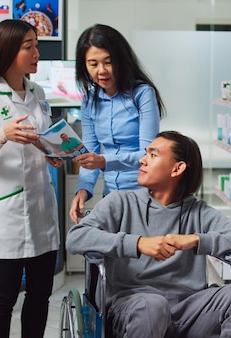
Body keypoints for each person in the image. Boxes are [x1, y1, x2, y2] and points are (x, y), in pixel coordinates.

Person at [66, 130, 231, 338]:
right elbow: (76, 237)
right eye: (146, 153)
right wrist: (138, 243)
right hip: (132, 311)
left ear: (177, 168)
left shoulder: (198, 212)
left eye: (153, 155)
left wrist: (196, 240)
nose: (142, 160)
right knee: (152, 304)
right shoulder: (120, 202)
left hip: (188, 314)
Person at [0, 19, 64, 338]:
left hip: (41, 207)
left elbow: (40, 140)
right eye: (29, 47)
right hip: (6, 212)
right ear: (8, 51)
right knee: (5, 296)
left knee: (40, 295)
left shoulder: (37, 92)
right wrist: (1, 136)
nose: (37, 53)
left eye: (36, 45)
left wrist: (53, 153)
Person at [69, 23, 166, 224]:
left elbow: (148, 154)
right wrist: (83, 190)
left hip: (144, 196)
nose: (101, 71)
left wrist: (104, 161)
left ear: (121, 60)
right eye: (93, 64)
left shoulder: (142, 94)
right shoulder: (89, 100)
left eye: (108, 62)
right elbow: (90, 154)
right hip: (111, 197)